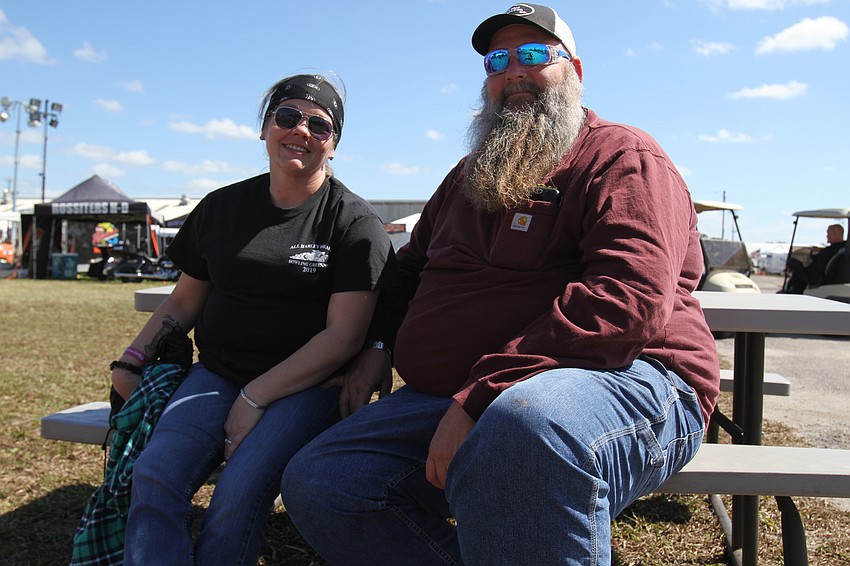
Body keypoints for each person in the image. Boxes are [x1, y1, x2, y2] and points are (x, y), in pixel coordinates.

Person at [281, 5, 720, 565]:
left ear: (575, 71)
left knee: (526, 431)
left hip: (625, 377)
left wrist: (483, 396)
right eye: (498, 60)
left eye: (535, 55)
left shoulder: (621, 156)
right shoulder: (467, 175)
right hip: (462, 393)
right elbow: (406, 275)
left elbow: (625, 298)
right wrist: (377, 347)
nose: (514, 70)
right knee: (324, 480)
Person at [111, 73, 395, 565]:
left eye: (319, 125)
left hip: (308, 388)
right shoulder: (222, 207)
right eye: (287, 117)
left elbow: (345, 335)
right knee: (155, 474)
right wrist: (134, 358)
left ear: (334, 146)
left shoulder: (354, 223)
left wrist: (254, 396)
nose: (301, 131)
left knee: (237, 494)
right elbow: (183, 301)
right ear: (265, 129)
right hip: (216, 373)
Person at [783, 223, 846, 293]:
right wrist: (819, 250)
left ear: (835, 234)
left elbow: (819, 262)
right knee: (797, 274)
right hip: (824, 276)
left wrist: (815, 255)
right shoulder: (842, 247)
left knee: (792, 262)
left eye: (828, 233)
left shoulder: (829, 251)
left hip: (815, 277)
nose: (827, 236)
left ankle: (796, 290)